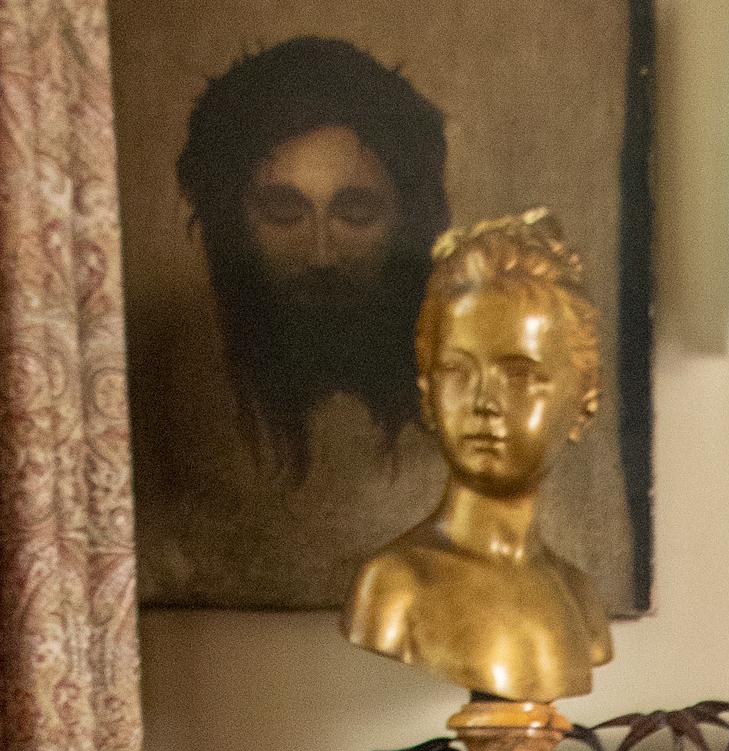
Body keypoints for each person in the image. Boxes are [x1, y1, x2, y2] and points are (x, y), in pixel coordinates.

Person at [343, 210, 613, 704]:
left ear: (584, 400)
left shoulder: (580, 601)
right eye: (458, 372)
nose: (484, 402)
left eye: (519, 375)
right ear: (427, 391)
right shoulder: (396, 587)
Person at [174, 37, 449, 482]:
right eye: (284, 212)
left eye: (356, 212)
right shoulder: (176, 405)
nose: (321, 254)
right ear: (232, 224)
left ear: (407, 220)